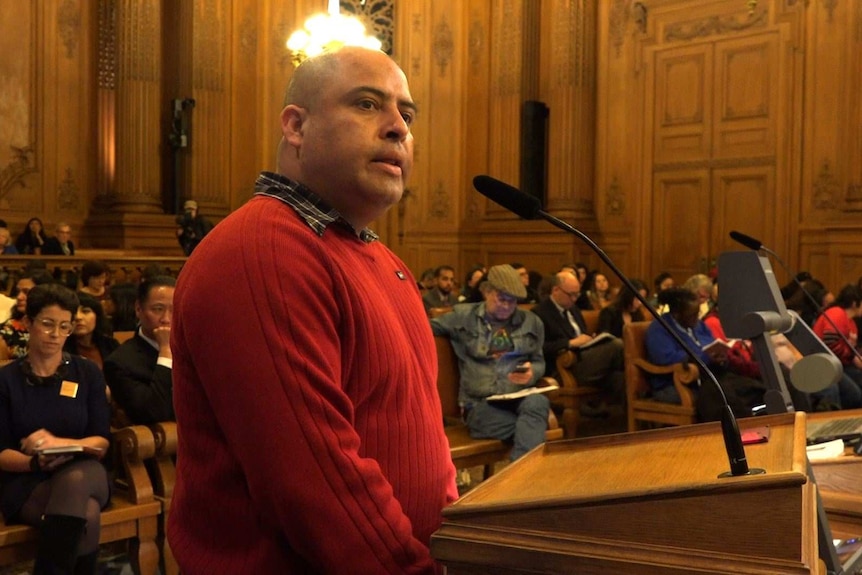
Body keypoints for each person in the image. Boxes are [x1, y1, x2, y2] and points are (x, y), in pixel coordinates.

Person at [167, 47, 457, 574]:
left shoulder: (382, 261)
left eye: (407, 115)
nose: (398, 129)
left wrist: (461, 545)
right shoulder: (262, 251)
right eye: (368, 105)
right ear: (296, 126)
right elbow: (316, 484)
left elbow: (423, 442)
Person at [0, 284, 111, 574]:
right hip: (27, 479)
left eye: (64, 327)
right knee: (86, 514)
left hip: (87, 469)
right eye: (47, 324)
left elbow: (102, 440)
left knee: (76, 479)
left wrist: (57, 442)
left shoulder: (87, 373)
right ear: (28, 323)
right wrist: (35, 461)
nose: (55, 335)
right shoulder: (5, 379)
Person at [432, 264, 549, 460]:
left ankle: (518, 480)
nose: (507, 306)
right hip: (479, 404)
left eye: (513, 302)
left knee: (539, 402)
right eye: (502, 299)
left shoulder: (532, 322)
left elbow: (539, 362)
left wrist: (533, 372)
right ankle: (524, 481)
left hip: (518, 397)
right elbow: (424, 327)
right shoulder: (463, 317)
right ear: (486, 291)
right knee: (531, 427)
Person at [645, 287, 767, 422]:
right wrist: (703, 357)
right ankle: (736, 432)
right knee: (721, 396)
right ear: (677, 314)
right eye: (691, 315)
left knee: (754, 387)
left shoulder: (698, 325)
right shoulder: (659, 329)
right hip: (677, 383)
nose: (696, 318)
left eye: (697, 313)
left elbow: (711, 344)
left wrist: (720, 356)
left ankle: (754, 423)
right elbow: (664, 358)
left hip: (712, 374)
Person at [532, 271, 626, 402]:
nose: (575, 299)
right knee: (617, 345)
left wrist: (591, 339)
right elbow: (537, 348)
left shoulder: (573, 309)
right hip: (565, 367)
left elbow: (582, 334)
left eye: (577, 294)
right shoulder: (539, 313)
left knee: (623, 378)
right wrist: (569, 343)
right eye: (571, 295)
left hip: (587, 359)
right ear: (556, 290)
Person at [103, 276, 175, 424]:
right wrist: (165, 350)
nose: (166, 319)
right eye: (158, 309)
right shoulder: (120, 362)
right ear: (138, 309)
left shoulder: (194, 350)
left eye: (174, 310)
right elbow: (154, 412)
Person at [0, 270, 55, 360]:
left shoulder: (58, 327)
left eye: (26, 292)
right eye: (18, 292)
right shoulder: (7, 330)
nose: (19, 297)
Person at [64, 292, 119, 372]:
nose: (78, 317)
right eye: (73, 312)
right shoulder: (61, 348)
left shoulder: (110, 345)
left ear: (97, 316)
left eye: (85, 311)